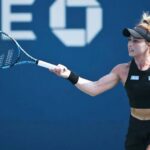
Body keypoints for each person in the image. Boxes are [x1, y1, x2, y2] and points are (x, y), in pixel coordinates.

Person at [50, 12, 150, 150]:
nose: (130, 44)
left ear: (148, 44)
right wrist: (68, 75)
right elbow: (95, 88)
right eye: (129, 40)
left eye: (136, 41)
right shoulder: (122, 70)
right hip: (136, 127)